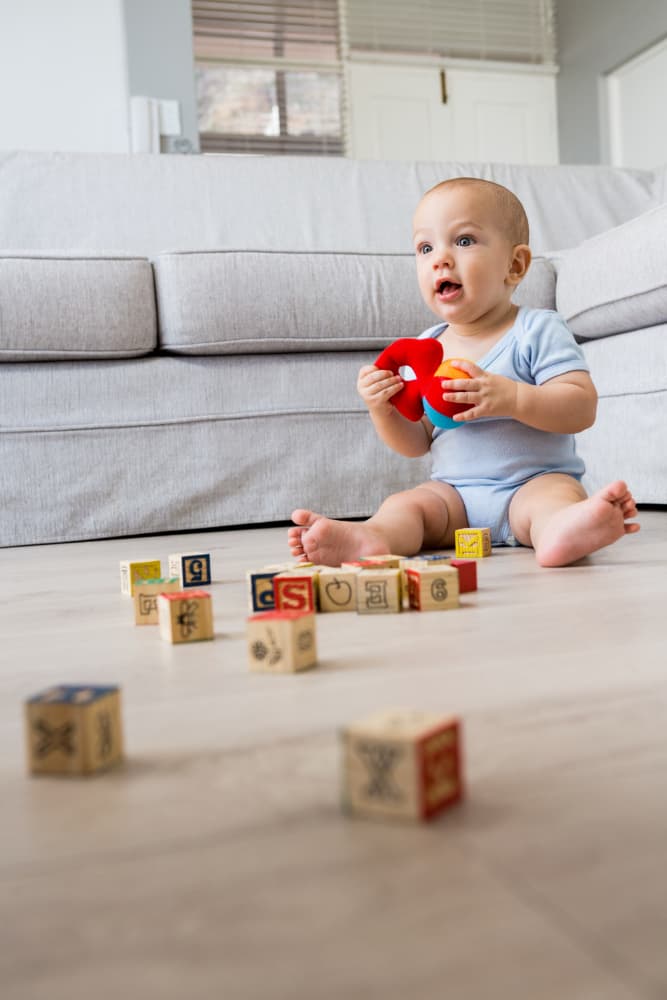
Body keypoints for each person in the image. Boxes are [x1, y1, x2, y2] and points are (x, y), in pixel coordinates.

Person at [288, 177, 639, 568]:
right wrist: (382, 409)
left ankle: (561, 531)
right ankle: (373, 537)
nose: (440, 258)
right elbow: (417, 442)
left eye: (464, 241)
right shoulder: (427, 347)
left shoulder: (536, 329)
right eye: (425, 247)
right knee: (407, 505)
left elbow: (580, 408)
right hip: (452, 495)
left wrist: (513, 397)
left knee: (553, 500)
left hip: (534, 482)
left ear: (515, 264)